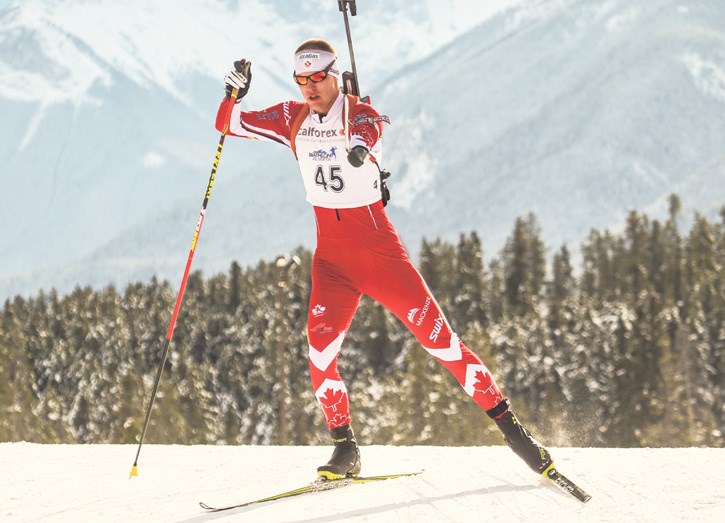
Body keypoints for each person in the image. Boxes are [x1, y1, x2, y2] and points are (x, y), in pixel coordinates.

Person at [217, 38, 554, 480]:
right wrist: (232, 93)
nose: (310, 87)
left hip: (381, 258)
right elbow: (227, 125)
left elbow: (372, 126)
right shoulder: (290, 117)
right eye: (302, 79)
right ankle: (345, 450)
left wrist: (360, 147)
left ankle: (516, 434)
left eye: (318, 77)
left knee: (444, 345)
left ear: (334, 74)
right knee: (319, 356)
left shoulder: (358, 111)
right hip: (331, 263)